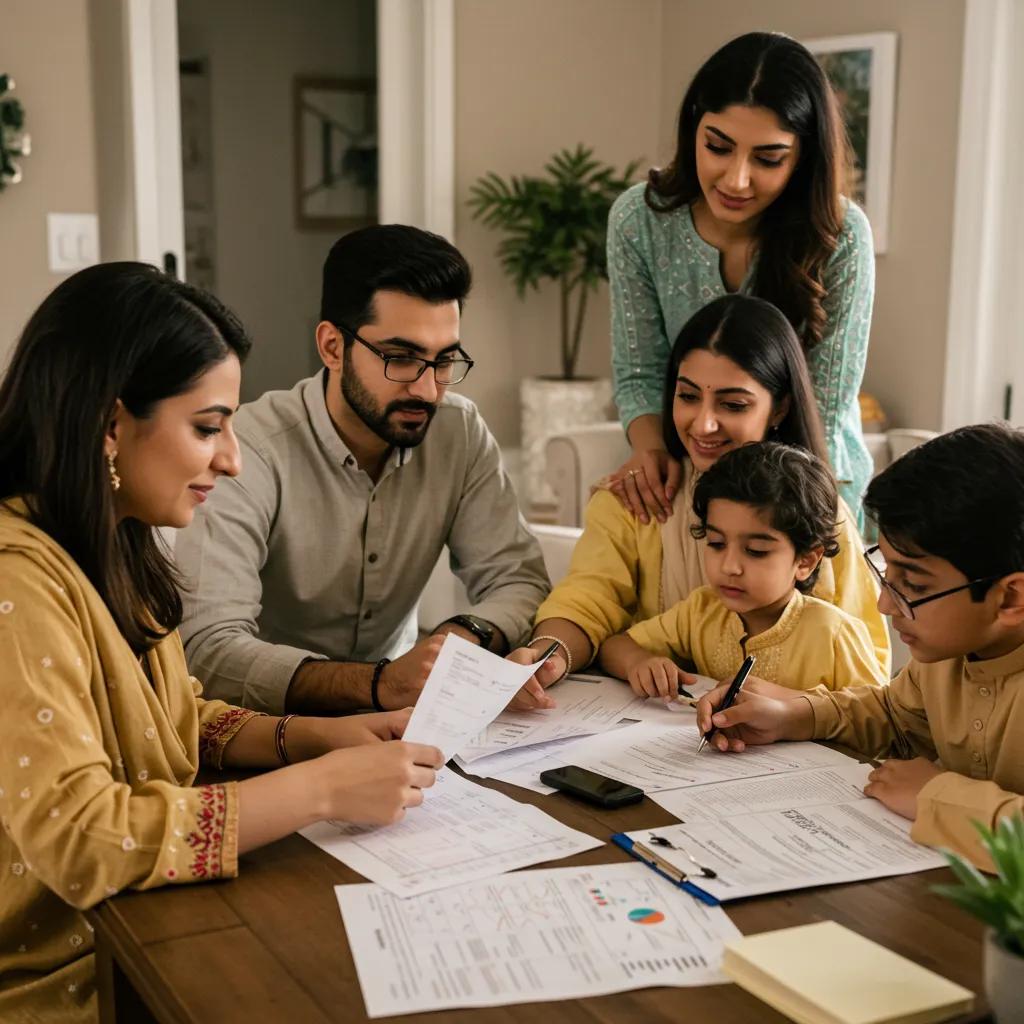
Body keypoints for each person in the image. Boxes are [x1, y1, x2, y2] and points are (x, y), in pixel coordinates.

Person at [0, 263, 444, 1022]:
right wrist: (323, 789)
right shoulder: (17, 586)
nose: (232, 459)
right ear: (110, 425)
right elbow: (84, 838)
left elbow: (170, 718)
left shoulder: (113, 541)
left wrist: (312, 737)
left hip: (142, 931)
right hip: (72, 977)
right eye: (208, 428)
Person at [175, 225, 555, 717]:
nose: (428, 390)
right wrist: (378, 684)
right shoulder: (249, 450)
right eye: (401, 359)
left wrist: (464, 635)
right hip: (264, 726)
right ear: (333, 347)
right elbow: (209, 649)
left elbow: (519, 580)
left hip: (402, 718)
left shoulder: (458, 431)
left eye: (444, 361)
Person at [518, 294, 889, 707]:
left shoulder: (823, 515)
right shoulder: (636, 498)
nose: (703, 423)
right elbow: (586, 603)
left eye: (733, 405)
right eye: (688, 396)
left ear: (780, 407)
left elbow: (870, 688)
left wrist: (792, 711)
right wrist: (546, 657)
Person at [695, 423, 1024, 872]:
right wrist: (794, 715)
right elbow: (894, 714)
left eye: (914, 585)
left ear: (1010, 599)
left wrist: (937, 797)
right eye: (888, 573)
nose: (885, 604)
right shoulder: (947, 654)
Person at [608, 31, 874, 529]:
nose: (736, 179)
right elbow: (639, 373)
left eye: (768, 158)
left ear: (804, 157)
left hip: (809, 489)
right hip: (687, 478)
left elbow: (825, 407)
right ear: (693, 128)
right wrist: (651, 452)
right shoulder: (638, 220)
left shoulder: (840, 236)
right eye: (718, 147)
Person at [599, 442, 886, 698]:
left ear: (805, 562)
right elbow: (613, 647)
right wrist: (639, 662)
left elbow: (879, 720)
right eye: (716, 544)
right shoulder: (701, 611)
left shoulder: (834, 634)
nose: (729, 566)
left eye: (756, 551)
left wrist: (794, 707)